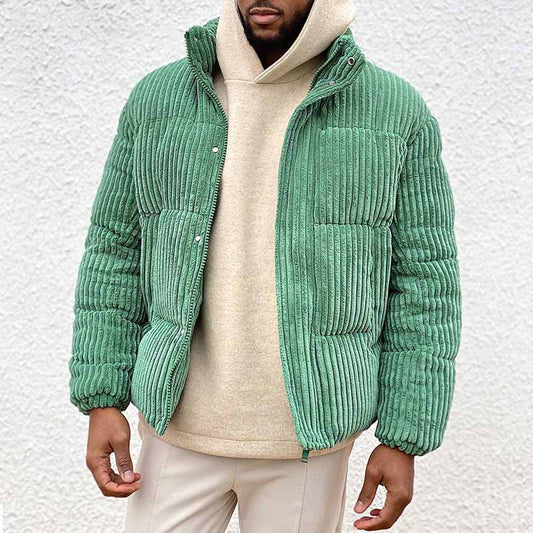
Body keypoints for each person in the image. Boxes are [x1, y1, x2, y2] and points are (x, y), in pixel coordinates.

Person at [69, 0, 462, 531]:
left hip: (309, 439)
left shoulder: (393, 110)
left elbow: (425, 281)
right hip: (176, 427)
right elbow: (115, 253)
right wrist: (102, 399)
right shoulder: (158, 100)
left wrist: (404, 436)